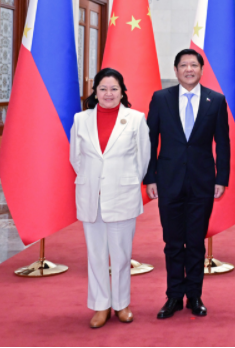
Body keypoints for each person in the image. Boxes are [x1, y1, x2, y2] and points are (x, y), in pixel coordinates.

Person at [145, 49, 230, 319]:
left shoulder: (216, 100)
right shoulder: (161, 98)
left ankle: (194, 295)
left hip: (202, 182)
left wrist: (222, 178)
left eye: (194, 65)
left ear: (201, 70)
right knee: (172, 242)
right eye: (184, 65)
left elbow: (223, 143)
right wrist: (150, 177)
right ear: (176, 70)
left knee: (195, 242)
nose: (189, 69)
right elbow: (150, 140)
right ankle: (173, 296)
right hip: (168, 181)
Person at [69, 68, 151, 328]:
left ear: (122, 92)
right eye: (103, 88)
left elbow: (143, 159)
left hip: (122, 195)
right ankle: (100, 305)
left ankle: (121, 304)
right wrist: (95, 179)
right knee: (95, 255)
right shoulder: (81, 119)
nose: (108, 93)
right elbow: (76, 158)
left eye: (114, 89)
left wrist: (123, 181)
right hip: (91, 195)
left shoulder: (135, 119)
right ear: (95, 92)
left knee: (121, 255)